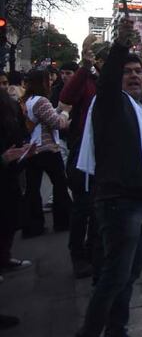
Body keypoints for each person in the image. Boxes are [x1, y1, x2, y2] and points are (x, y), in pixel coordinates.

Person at [65, 19, 142, 337]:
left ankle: (115, 336)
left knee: (129, 274)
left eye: (139, 71)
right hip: (117, 201)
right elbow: (108, 80)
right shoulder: (110, 103)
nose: (134, 76)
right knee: (113, 276)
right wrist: (121, 47)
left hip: (141, 201)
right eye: (127, 71)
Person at [61, 42, 107, 278]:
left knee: (100, 209)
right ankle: (78, 255)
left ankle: (93, 251)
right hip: (84, 150)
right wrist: (84, 67)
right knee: (83, 207)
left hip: (108, 154)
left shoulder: (114, 83)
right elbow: (67, 97)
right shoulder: (87, 81)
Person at [20, 68, 72, 237]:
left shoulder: (28, 101)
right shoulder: (41, 101)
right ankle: (62, 221)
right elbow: (57, 123)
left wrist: (57, 109)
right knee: (60, 184)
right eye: (48, 80)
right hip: (48, 148)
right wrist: (65, 113)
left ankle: (32, 225)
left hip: (33, 148)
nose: (50, 82)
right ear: (41, 83)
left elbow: (44, 117)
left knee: (32, 188)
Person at [1, 89, 35, 329]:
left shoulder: (7, 104)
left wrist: (20, 154)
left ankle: (4, 258)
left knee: (8, 222)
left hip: (8, 179)